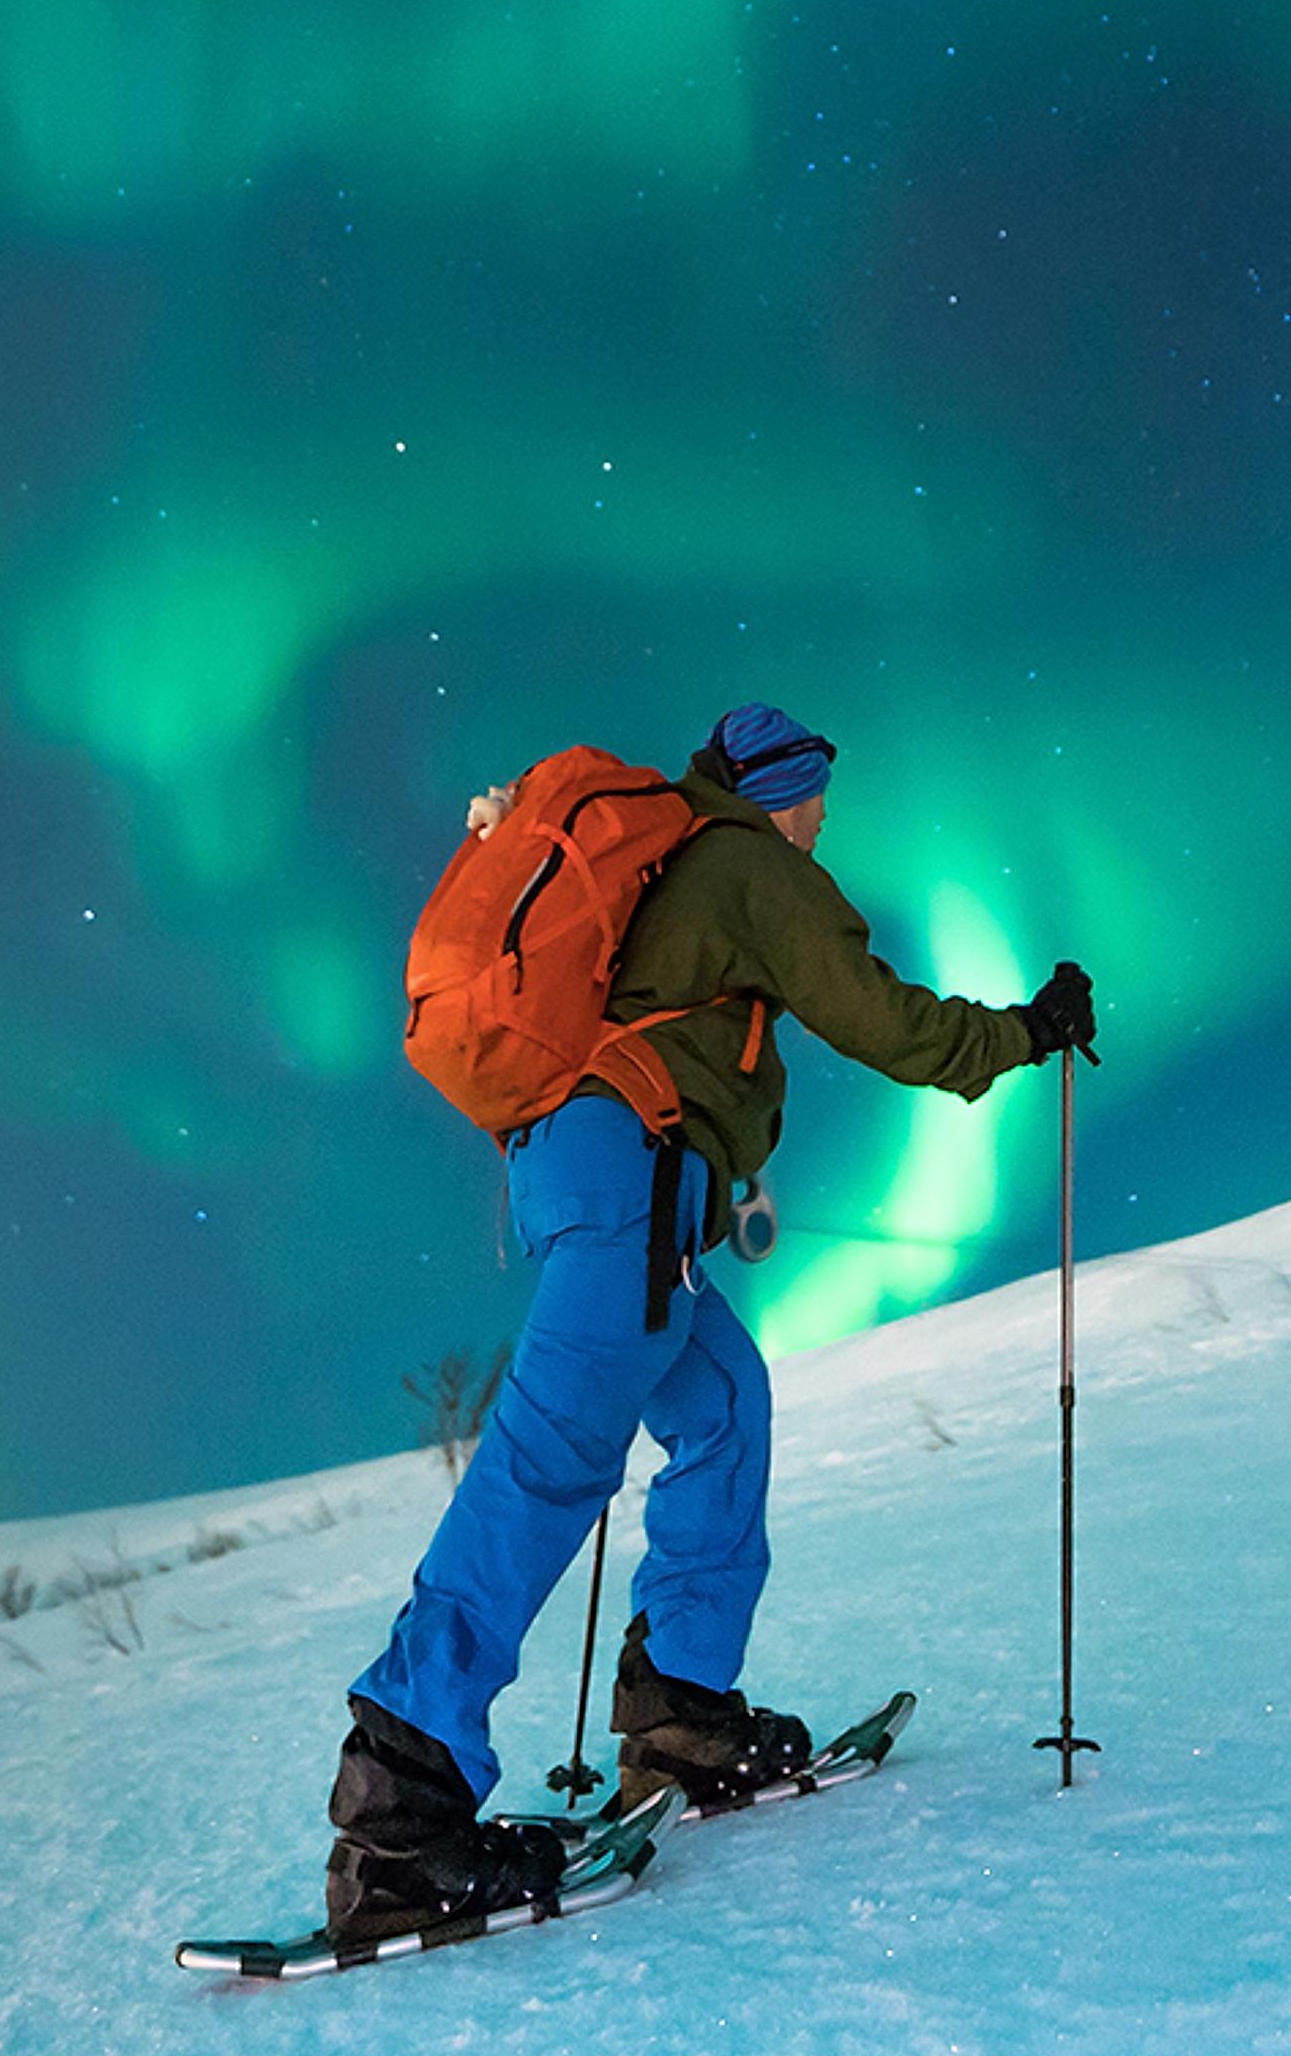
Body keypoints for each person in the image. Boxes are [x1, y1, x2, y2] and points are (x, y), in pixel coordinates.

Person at [321, 699, 1097, 1942]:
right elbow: (880, 1018)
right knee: (550, 1462)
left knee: (726, 1406)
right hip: (631, 1178)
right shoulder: (743, 861)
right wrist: (1025, 1031)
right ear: (781, 792)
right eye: (817, 807)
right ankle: (402, 1810)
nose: (820, 828)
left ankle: (680, 1710)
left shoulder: (684, 858)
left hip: (623, 1185)